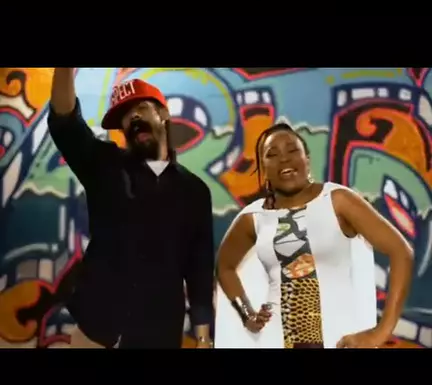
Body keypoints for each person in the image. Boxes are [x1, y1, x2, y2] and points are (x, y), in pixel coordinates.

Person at [48, 68, 214, 349]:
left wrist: (202, 338)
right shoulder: (104, 165)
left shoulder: (195, 191)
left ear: (163, 114)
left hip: (158, 336)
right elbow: (66, 123)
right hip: (94, 332)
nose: (133, 117)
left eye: (141, 108)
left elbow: (199, 272)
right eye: (125, 115)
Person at [215, 122, 414, 349]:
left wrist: (380, 332)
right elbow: (224, 266)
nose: (284, 159)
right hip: (274, 340)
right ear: (263, 167)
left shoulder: (337, 200)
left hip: (339, 340)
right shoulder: (254, 217)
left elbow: (401, 252)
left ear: (307, 159)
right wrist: (246, 313)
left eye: (292, 150)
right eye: (272, 154)